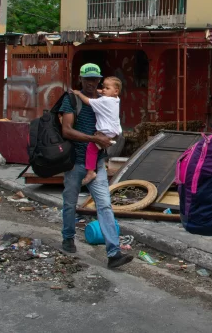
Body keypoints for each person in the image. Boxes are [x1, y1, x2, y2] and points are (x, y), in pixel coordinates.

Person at [59, 63, 132, 269]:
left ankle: (113, 253)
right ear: (81, 79)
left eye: (95, 80)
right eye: (88, 79)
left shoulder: (105, 100)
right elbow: (66, 130)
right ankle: (67, 237)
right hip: (75, 162)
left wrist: (109, 138)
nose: (92, 83)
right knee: (70, 204)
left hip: (97, 163)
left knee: (105, 206)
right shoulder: (72, 100)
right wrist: (94, 139)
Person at [70, 76, 123, 185]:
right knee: (97, 148)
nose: (103, 90)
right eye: (103, 87)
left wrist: (79, 94)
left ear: (116, 91)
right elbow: (104, 92)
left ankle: (90, 172)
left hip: (106, 131)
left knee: (91, 148)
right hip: (114, 130)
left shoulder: (104, 101)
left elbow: (88, 101)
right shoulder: (116, 99)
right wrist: (102, 90)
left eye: (107, 88)